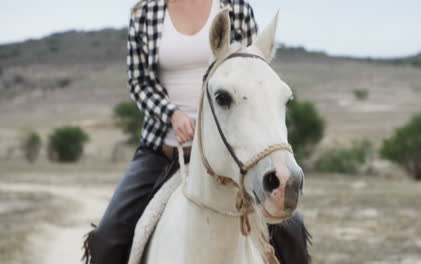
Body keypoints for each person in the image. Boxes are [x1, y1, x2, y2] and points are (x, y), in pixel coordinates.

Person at [83, 0, 310, 263]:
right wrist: (171, 114)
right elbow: (139, 81)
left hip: (232, 156)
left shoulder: (236, 9)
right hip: (162, 149)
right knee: (108, 238)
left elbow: (253, 72)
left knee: (293, 233)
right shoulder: (147, 14)